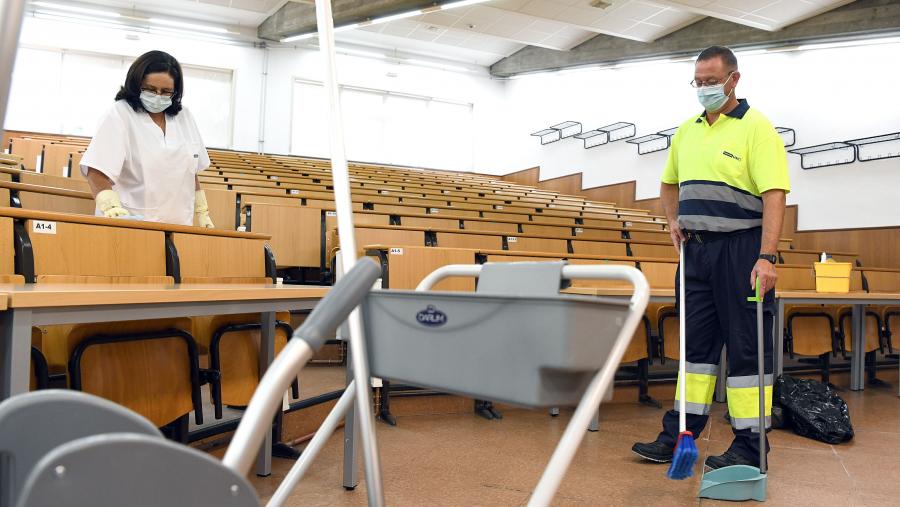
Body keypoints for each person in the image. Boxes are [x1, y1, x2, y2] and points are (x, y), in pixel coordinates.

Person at [632, 46, 789, 470]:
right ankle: (680, 433)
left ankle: (751, 446)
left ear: (733, 79)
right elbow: (669, 184)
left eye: (711, 81)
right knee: (696, 352)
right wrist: (672, 221)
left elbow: (775, 194)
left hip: (741, 249)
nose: (704, 89)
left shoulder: (757, 127)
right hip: (696, 252)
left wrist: (767, 256)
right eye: (698, 82)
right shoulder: (687, 130)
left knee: (745, 352)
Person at [80, 50, 214, 227]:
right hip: (131, 223)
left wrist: (202, 211)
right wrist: (110, 207)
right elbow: (97, 170)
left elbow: (190, 172)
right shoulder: (120, 114)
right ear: (137, 85)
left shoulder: (184, 117)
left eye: (166, 92)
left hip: (179, 225)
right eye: (150, 89)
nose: (158, 96)